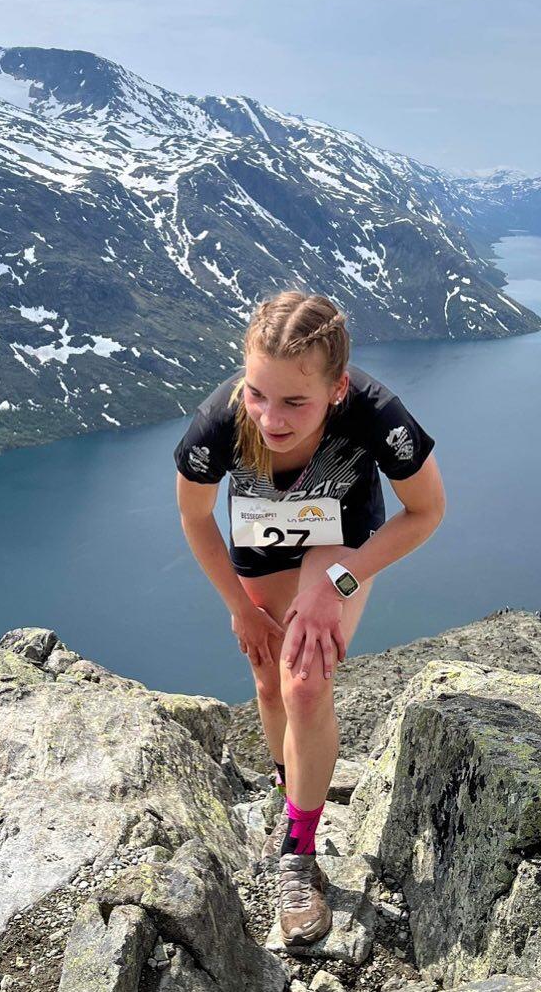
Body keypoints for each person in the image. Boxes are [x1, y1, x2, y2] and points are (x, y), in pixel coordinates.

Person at [172, 290, 446, 948]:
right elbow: (193, 515)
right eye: (258, 394)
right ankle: (287, 782)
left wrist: (338, 581)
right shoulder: (217, 423)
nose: (270, 418)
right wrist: (239, 608)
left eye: (296, 401)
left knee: (303, 682)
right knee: (267, 679)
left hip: (340, 537)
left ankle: (297, 852)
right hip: (263, 531)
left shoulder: (375, 414)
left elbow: (426, 511)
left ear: (336, 387)